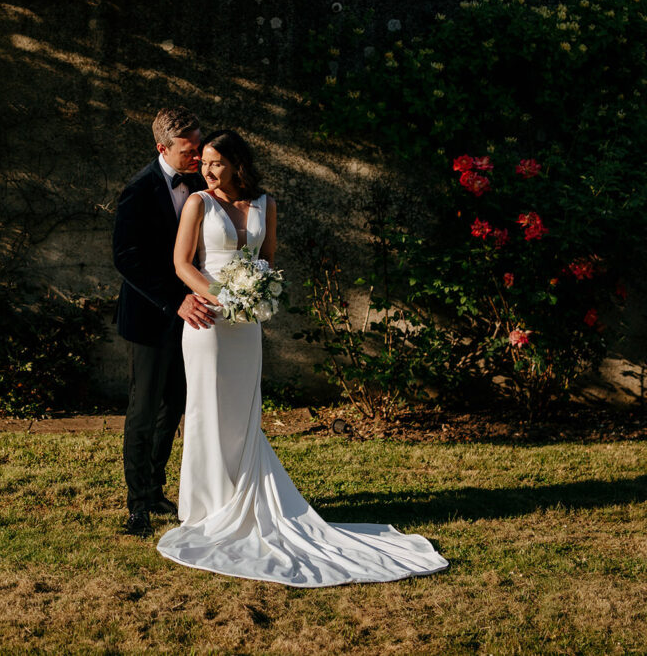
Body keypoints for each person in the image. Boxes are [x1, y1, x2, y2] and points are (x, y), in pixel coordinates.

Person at [157, 130, 449, 586]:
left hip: (247, 324)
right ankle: (207, 507)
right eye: (205, 163)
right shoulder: (197, 202)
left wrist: (257, 291)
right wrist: (225, 294)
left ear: (237, 164)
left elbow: (268, 257)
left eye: (216, 162)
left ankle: (245, 496)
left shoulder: (266, 204)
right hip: (209, 322)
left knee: (242, 410)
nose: (208, 170)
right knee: (206, 410)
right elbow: (182, 264)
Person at [113, 107, 217, 537]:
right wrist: (175, 300)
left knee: (174, 405)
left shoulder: (198, 183)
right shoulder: (137, 191)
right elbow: (127, 259)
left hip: (191, 318)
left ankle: (155, 488)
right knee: (143, 408)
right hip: (151, 316)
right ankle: (137, 505)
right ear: (162, 148)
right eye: (189, 151)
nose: (198, 158)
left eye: (199, 148)